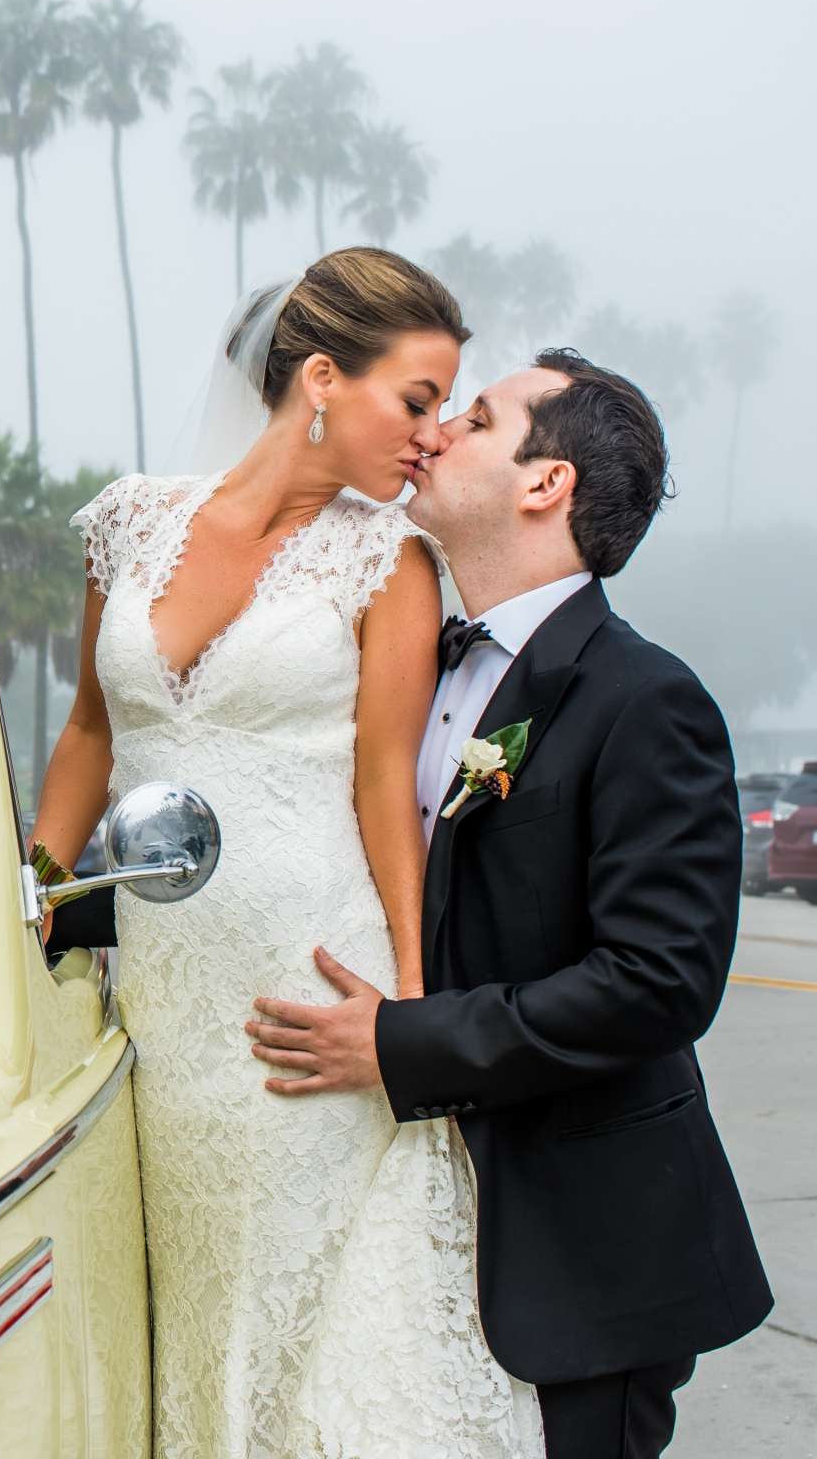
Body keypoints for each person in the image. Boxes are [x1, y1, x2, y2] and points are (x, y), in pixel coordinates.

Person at [37, 247, 542, 1456]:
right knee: (196, 1299)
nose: (431, 434)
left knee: (310, 1317)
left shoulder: (392, 565)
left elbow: (387, 792)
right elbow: (90, 731)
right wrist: (30, 903)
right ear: (321, 375)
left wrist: (410, 1005)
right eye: (417, 400)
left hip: (308, 985)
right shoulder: (127, 525)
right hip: (165, 1002)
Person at [241, 351, 770, 1459]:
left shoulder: (644, 699)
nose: (432, 433)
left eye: (475, 419)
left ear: (546, 484)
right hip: (399, 1235)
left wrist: (401, 1042)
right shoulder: (406, 666)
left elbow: (658, 982)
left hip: (582, 1252)